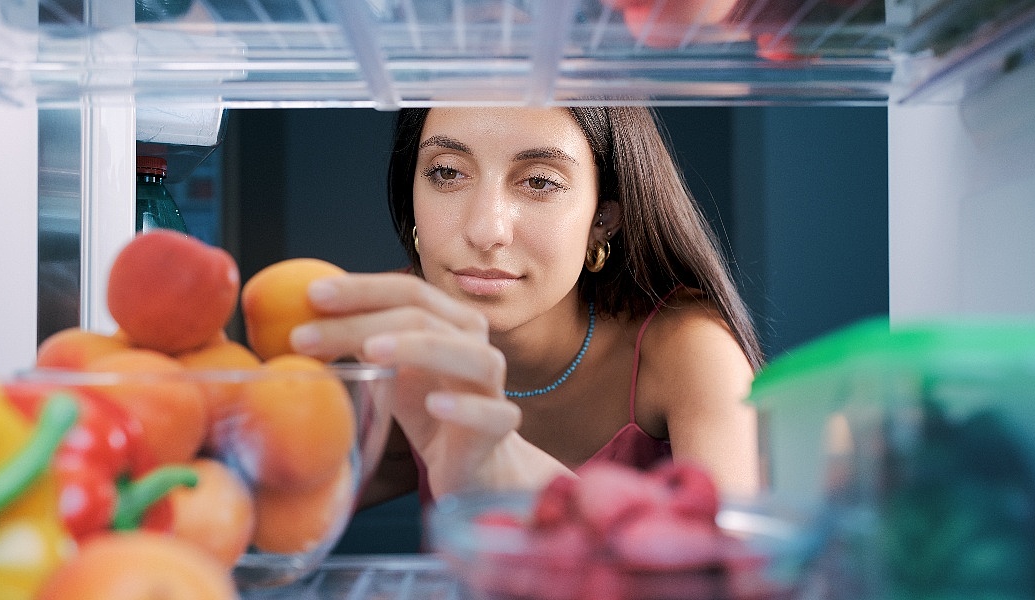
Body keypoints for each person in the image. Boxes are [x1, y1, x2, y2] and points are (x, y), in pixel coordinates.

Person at [286, 106, 764, 507]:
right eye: (447, 172)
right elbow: (268, 509)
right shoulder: (394, 336)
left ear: (604, 218)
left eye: (539, 181)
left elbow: (736, 578)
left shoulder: (692, 352)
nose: (486, 229)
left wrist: (508, 470)